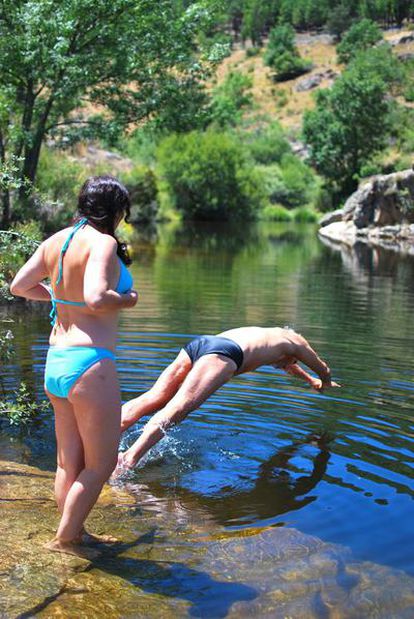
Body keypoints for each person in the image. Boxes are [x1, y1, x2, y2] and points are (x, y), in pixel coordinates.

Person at [10, 176, 138, 558]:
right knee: (100, 464)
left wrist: (56, 297)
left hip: (57, 361)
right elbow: (98, 298)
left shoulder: (57, 240)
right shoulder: (102, 243)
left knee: (69, 461)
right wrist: (129, 299)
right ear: (116, 211)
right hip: (89, 364)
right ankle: (65, 541)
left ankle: (75, 532)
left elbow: (19, 285)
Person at [118, 327, 340, 470]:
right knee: (179, 407)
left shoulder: (275, 336)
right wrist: (325, 381)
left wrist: (310, 381)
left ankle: (102, 436)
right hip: (226, 354)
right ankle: (128, 459)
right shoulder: (298, 345)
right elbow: (323, 368)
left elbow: (289, 366)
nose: (284, 366)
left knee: (156, 396)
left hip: (203, 342)